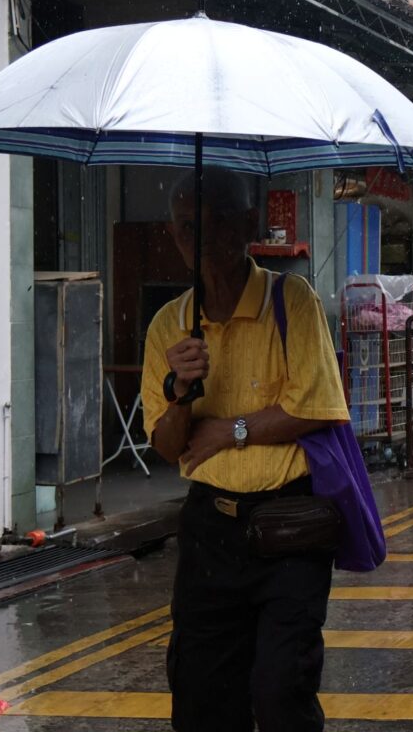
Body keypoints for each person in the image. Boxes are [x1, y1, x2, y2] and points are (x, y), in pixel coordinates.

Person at [140, 169, 350, 732]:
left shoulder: (291, 301)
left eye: (217, 222)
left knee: (282, 692)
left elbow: (317, 407)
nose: (202, 238)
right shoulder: (169, 325)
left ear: (247, 225)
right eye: (188, 226)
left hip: (289, 527)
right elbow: (165, 445)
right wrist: (179, 390)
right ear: (175, 233)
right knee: (203, 696)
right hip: (210, 532)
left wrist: (230, 430)